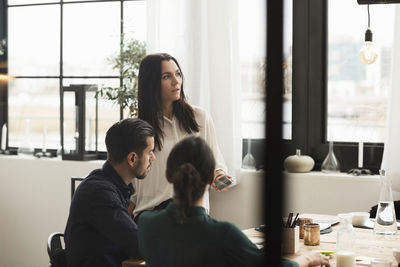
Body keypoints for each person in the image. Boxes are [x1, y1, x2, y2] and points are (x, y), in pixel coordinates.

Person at [138, 136, 330, 267]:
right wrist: (307, 259)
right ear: (209, 180)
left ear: (168, 176)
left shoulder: (147, 224)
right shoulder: (223, 234)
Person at [131, 52, 233, 220]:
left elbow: (215, 164)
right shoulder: (138, 129)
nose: (176, 81)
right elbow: (133, 189)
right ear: (151, 83)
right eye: (166, 76)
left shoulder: (200, 118)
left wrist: (219, 177)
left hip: (193, 214)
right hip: (151, 217)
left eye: (178, 74)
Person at [64, 118, 156, 267]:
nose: (153, 158)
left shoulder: (111, 186)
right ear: (132, 158)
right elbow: (139, 244)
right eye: (150, 152)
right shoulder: (99, 193)